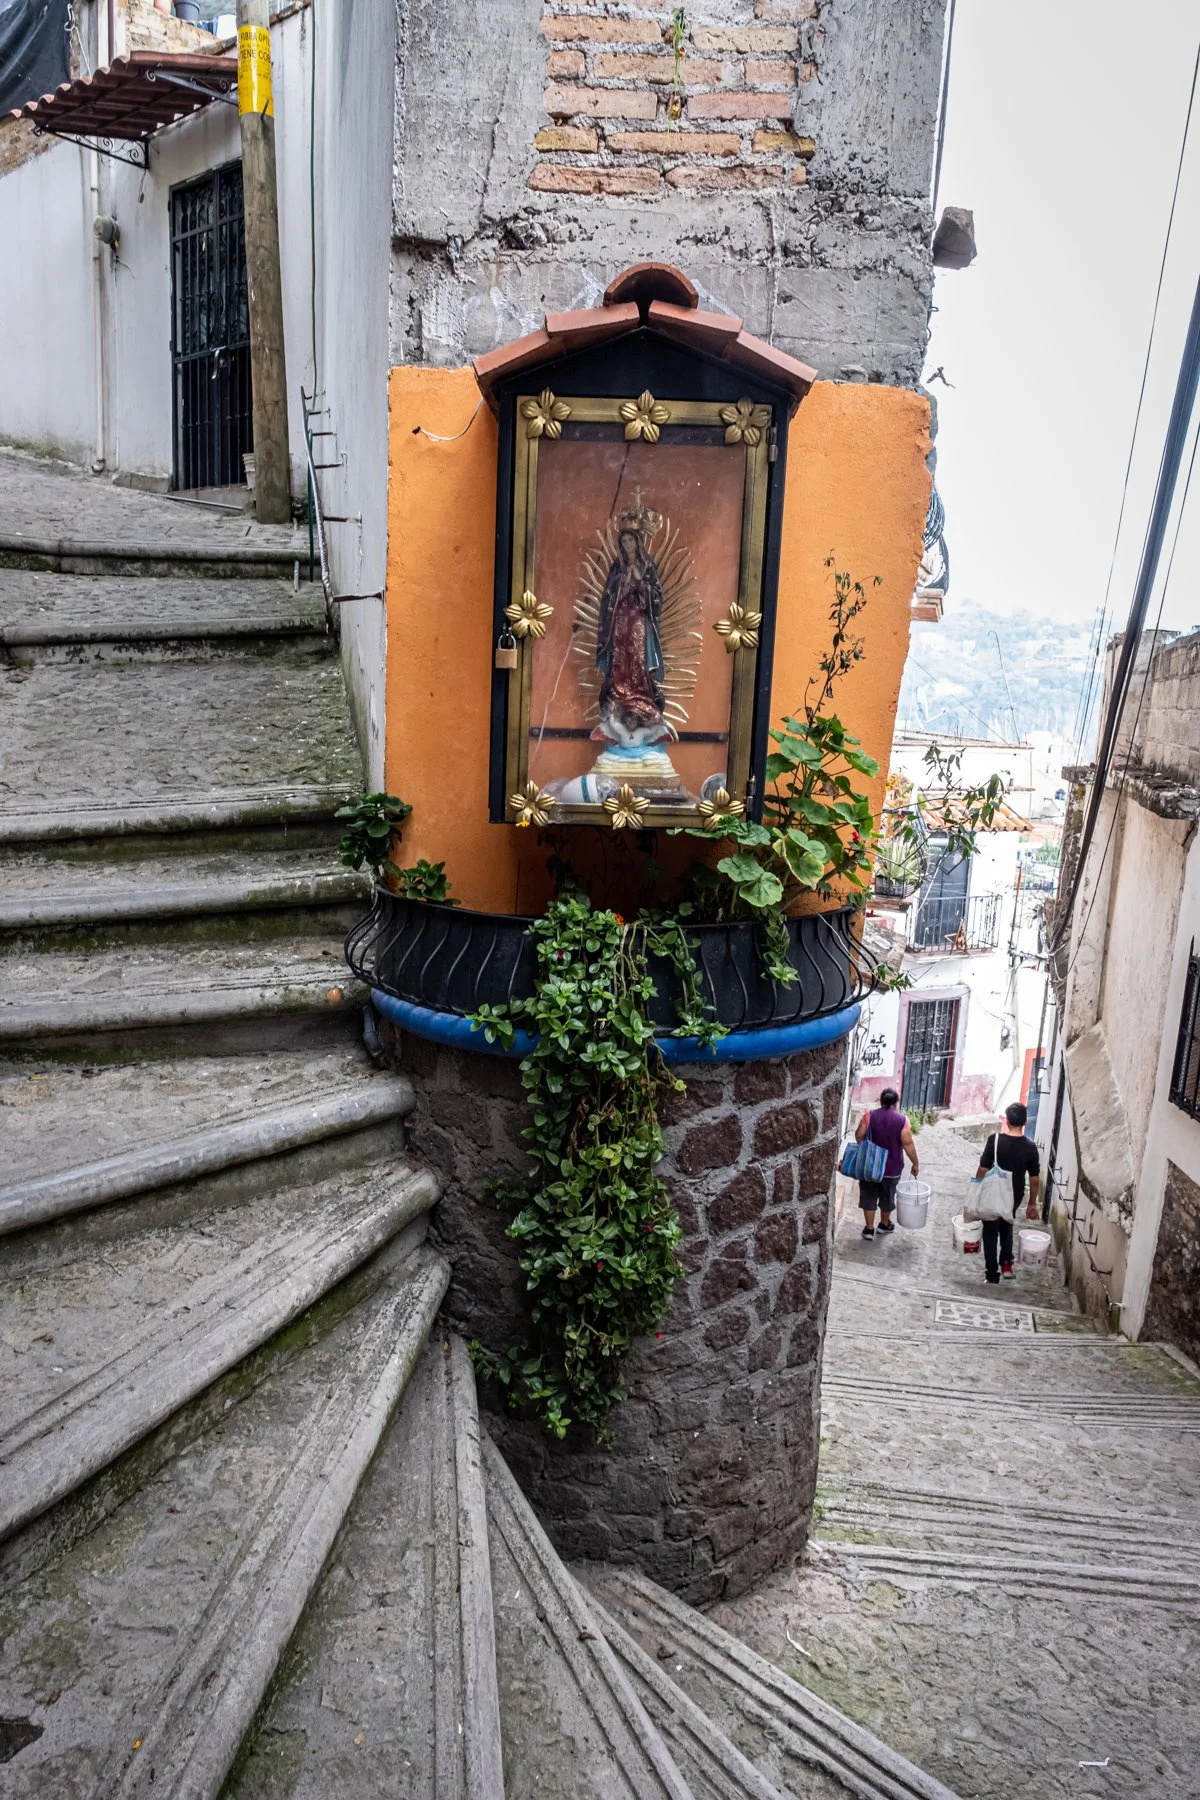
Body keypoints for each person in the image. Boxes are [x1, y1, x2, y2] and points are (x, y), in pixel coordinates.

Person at [975, 1101, 1041, 1283]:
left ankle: (991, 1274)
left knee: (990, 1231)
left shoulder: (994, 1141)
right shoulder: (1030, 1147)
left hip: (994, 1191)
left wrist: (976, 1185)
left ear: (1007, 1121)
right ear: (1025, 1122)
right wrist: (1032, 1203)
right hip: (1015, 1194)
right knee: (1007, 1223)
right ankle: (1006, 1266)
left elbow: (983, 1168)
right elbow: (1035, 1179)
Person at [854, 1089, 919, 1239]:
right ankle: (884, 1224)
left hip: (870, 1165)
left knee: (868, 1195)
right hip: (891, 1168)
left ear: (881, 1101)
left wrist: (869, 1146)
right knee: (887, 1197)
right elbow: (908, 1144)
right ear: (896, 1103)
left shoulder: (869, 1116)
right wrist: (915, 1163)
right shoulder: (903, 1120)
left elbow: (859, 1136)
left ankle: (869, 1229)